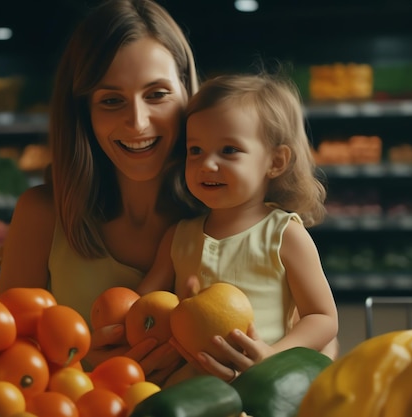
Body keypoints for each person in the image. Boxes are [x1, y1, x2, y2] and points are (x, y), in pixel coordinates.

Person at [0, 0, 204, 381]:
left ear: (188, 94)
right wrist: (77, 358)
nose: (137, 122)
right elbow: (3, 363)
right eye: (111, 100)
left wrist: (257, 362)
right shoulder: (41, 216)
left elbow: (320, 347)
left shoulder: (230, 216)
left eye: (157, 94)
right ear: (82, 113)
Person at [138, 72, 339, 384]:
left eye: (228, 150)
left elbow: (322, 317)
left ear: (275, 161)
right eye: (195, 150)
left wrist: (273, 356)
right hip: (188, 385)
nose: (207, 164)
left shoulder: (284, 234)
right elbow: (145, 303)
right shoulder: (178, 236)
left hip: (263, 385)